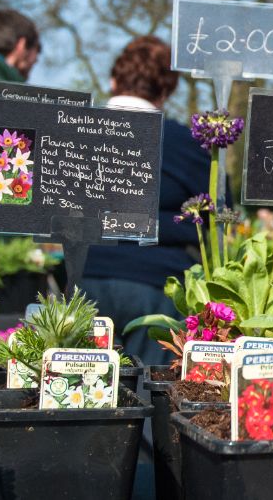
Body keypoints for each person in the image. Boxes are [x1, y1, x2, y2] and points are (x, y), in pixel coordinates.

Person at [81, 36, 212, 366]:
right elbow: (209, 219)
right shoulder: (187, 144)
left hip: (85, 275)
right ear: (166, 91)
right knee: (152, 395)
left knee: (78, 386)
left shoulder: (77, 131)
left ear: (114, 80)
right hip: (157, 285)